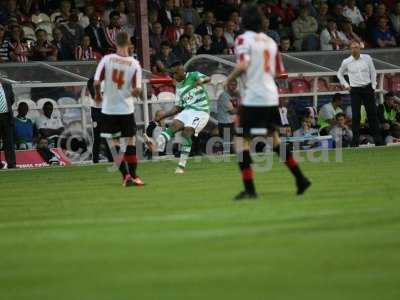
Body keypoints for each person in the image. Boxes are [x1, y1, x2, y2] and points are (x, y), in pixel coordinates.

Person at [225, 5, 311, 200]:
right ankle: (300, 178)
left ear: (244, 22)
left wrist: (228, 79)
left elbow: (243, 64)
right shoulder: (271, 42)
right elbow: (279, 71)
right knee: (274, 139)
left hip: (253, 97)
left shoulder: (242, 39)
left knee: (241, 141)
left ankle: (250, 190)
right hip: (271, 95)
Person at [94, 31, 144, 187]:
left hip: (109, 109)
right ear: (129, 43)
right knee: (131, 141)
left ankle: (125, 176)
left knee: (114, 143)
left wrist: (98, 95)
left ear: (115, 43)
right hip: (126, 109)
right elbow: (137, 90)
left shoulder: (106, 59)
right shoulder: (135, 64)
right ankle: (135, 176)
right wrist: (135, 94)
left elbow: (96, 82)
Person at [149, 61, 211, 173]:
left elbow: (208, 78)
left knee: (186, 133)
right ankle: (157, 143)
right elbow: (177, 108)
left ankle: (181, 166)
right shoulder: (178, 88)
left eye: (179, 71)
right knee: (174, 125)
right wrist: (164, 115)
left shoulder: (194, 75)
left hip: (201, 111)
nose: (175, 76)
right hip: (188, 111)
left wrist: (201, 81)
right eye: (174, 73)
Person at [337, 41, 384, 147]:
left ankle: (378, 140)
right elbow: (339, 74)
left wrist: (373, 86)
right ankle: (355, 141)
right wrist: (346, 85)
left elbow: (373, 72)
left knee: (372, 114)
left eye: (357, 47)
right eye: (353, 47)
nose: (355, 49)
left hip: (368, 88)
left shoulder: (367, 58)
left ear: (360, 48)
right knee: (356, 115)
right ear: (350, 49)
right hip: (355, 90)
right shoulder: (346, 61)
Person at [217, 79, 239, 154]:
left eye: (235, 85)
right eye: (231, 84)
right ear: (227, 86)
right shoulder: (224, 96)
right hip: (225, 124)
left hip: (231, 123)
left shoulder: (233, 95)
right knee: (227, 148)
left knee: (233, 145)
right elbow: (232, 111)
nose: (233, 87)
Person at [0, 80, 16, 169]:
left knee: (9, 141)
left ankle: (11, 163)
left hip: (7, 116)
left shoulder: (7, 86)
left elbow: (11, 100)